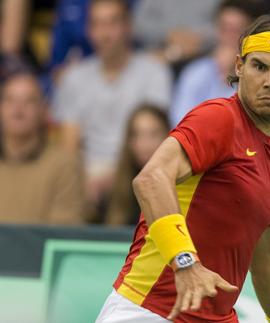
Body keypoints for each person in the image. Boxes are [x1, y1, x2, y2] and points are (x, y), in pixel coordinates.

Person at [96, 14, 270, 323]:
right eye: (259, 66)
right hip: (150, 313)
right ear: (239, 66)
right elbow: (151, 179)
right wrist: (184, 262)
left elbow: (267, 264)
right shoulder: (219, 117)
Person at [53, 0, 171, 210]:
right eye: (96, 24)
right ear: (88, 31)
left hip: (137, 165)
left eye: (112, 23)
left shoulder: (154, 72)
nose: (104, 33)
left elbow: (155, 138)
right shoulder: (74, 78)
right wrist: (79, 180)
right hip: (88, 174)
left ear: (128, 27)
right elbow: (68, 146)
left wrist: (116, 177)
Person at [0, 72, 85, 225]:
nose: (18, 109)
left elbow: (63, 232)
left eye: (29, 101)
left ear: (44, 110)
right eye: (10, 100)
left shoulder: (64, 165)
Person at [170, 0, 262, 126]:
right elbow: (180, 122)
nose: (229, 37)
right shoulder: (196, 71)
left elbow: (255, 126)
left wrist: (231, 76)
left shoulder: (262, 74)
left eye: (236, 30)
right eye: (224, 28)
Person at [105, 105, 170, 226]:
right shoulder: (113, 191)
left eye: (153, 134)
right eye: (136, 134)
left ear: (167, 137)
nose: (144, 143)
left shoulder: (179, 188)